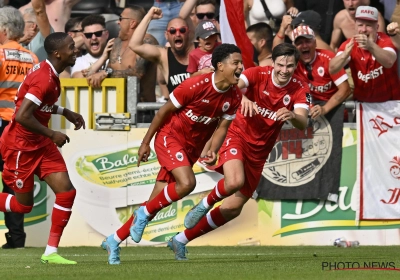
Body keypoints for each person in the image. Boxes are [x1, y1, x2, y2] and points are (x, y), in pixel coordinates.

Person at [101, 43, 243, 265]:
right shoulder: (196, 85)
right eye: (236, 63)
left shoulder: (234, 97)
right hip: (170, 137)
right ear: (220, 65)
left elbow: (222, 128)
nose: (241, 67)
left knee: (154, 204)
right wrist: (145, 143)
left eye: (241, 63)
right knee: (187, 183)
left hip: (191, 149)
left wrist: (213, 149)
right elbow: (162, 112)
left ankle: (114, 240)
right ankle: (147, 215)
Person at [168, 43, 309, 260]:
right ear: (273, 63)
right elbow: (233, 83)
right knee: (234, 181)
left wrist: (293, 116)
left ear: (295, 66)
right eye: (280, 64)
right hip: (237, 135)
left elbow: (303, 122)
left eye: (290, 66)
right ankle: (204, 204)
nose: (284, 70)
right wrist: (242, 97)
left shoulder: (299, 87)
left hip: (260, 151)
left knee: (233, 208)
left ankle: (180, 240)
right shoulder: (256, 74)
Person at [0, 32, 85, 264]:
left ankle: (50, 252)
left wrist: (64, 112)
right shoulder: (45, 77)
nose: (75, 50)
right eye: (71, 47)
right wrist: (52, 133)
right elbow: (22, 116)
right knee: (22, 206)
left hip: (40, 144)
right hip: (21, 147)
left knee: (67, 192)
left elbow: (41, 105)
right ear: (57, 53)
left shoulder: (50, 73)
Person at [0, 6, 39, 250]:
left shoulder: (0, 55)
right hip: (23, 129)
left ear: (4, 29)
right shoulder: (33, 58)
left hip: (1, 124)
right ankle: (16, 239)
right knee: (14, 182)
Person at [329, 6, 399, 102]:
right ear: (355, 27)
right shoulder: (350, 44)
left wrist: (370, 45)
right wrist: (344, 55)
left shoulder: (385, 40)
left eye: (369, 25)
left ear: (377, 27)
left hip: (390, 102)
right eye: (360, 25)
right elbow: (332, 69)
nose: (364, 29)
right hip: (363, 103)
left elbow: (389, 62)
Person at [129, 5, 195, 96]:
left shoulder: (201, 50)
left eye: (182, 30)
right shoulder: (163, 55)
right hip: (179, 109)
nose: (178, 34)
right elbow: (134, 45)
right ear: (166, 35)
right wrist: (149, 16)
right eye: (172, 31)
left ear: (189, 33)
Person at [292, 25, 351, 118]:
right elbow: (305, 92)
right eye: (299, 43)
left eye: (307, 41)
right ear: (294, 47)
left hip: (333, 109)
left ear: (315, 43)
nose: (304, 45)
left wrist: (324, 109)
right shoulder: (293, 64)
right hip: (311, 111)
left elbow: (345, 89)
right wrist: (310, 105)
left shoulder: (328, 58)